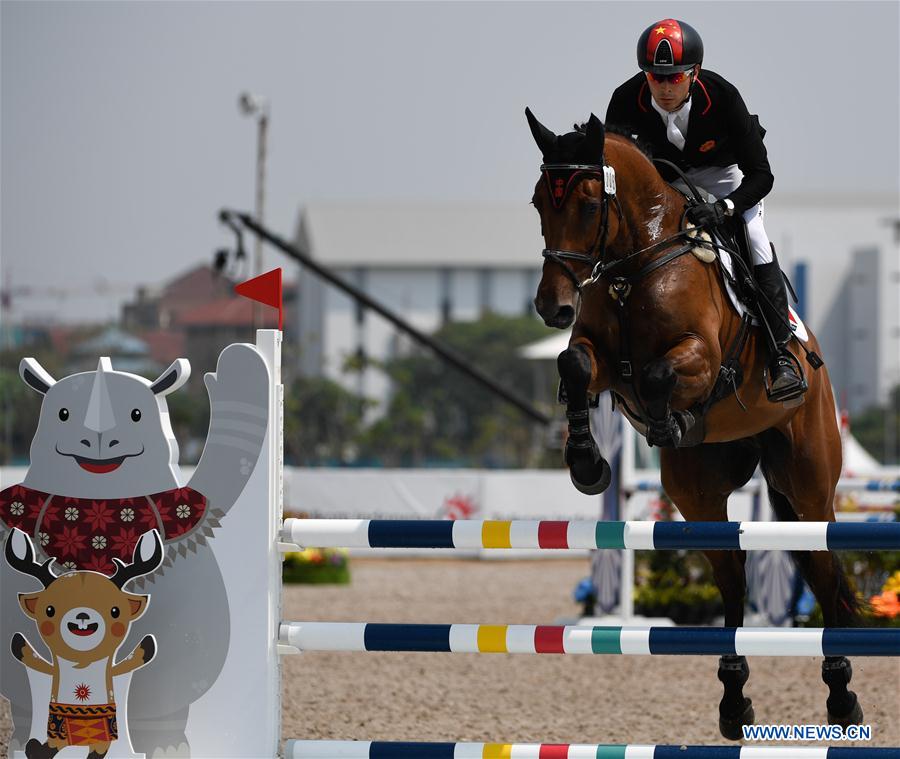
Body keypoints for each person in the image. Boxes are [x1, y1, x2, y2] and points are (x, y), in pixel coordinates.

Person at [605, 18, 805, 402]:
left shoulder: (723, 96)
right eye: (655, 77)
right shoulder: (624, 100)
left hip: (725, 180)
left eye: (674, 78)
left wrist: (726, 208)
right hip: (666, 185)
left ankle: (780, 354)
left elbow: (762, 175)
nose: (664, 88)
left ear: (693, 73)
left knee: (756, 240)